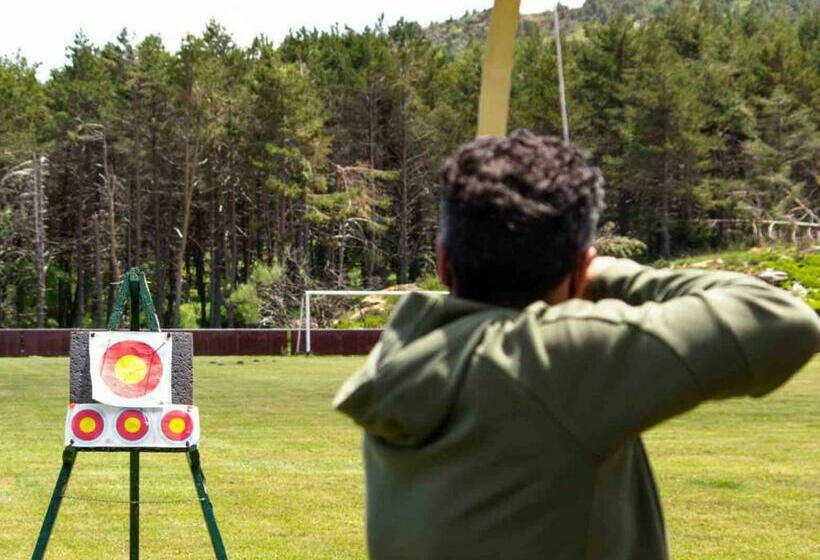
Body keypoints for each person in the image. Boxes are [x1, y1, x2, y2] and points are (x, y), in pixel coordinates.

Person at [333, 130, 819, 559]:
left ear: (443, 262)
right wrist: (607, 274)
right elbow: (782, 321)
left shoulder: (406, 350)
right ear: (581, 267)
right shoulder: (549, 363)